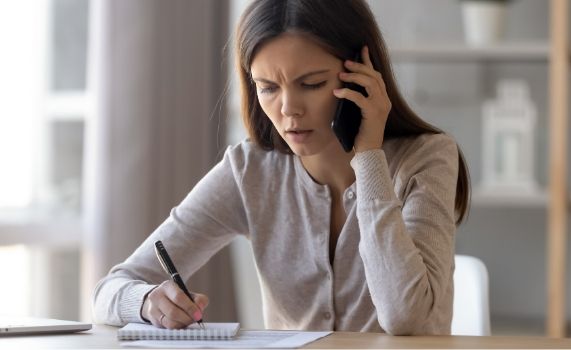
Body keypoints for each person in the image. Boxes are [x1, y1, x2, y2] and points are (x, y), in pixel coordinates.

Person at [93, 0, 470, 336]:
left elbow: (407, 319)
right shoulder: (250, 171)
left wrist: (369, 157)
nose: (288, 109)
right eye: (268, 87)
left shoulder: (428, 157)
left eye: (311, 83)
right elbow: (110, 289)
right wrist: (146, 303)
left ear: (363, 76)